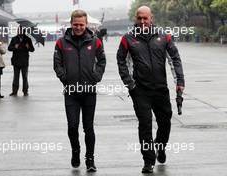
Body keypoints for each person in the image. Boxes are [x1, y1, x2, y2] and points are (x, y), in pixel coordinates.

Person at [116, 6, 185, 173]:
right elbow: (121, 62)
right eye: (139, 18)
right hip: (140, 90)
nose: (142, 21)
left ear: (151, 18)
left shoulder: (165, 36)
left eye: (145, 18)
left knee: (165, 123)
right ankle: (148, 160)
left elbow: (174, 59)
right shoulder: (127, 38)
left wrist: (179, 81)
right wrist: (130, 84)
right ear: (135, 18)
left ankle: (160, 147)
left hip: (161, 89)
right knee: (145, 124)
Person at [53, 9, 106, 172]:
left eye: (81, 24)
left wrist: (95, 77)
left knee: (88, 127)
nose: (78, 27)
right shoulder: (61, 43)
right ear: (71, 24)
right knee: (72, 126)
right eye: (75, 24)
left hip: (89, 91)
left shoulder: (95, 41)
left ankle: (90, 159)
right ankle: (75, 151)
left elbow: (102, 61)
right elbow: (57, 64)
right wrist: (65, 78)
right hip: (71, 92)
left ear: (86, 24)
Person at [8, 26, 35, 96]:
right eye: (18, 30)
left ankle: (25, 91)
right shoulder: (14, 39)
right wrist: (14, 47)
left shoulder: (28, 39)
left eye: (20, 30)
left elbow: (32, 49)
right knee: (16, 77)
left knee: (25, 77)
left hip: (24, 61)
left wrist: (28, 47)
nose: (18, 31)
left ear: (23, 31)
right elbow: (9, 48)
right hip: (16, 61)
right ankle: (14, 91)